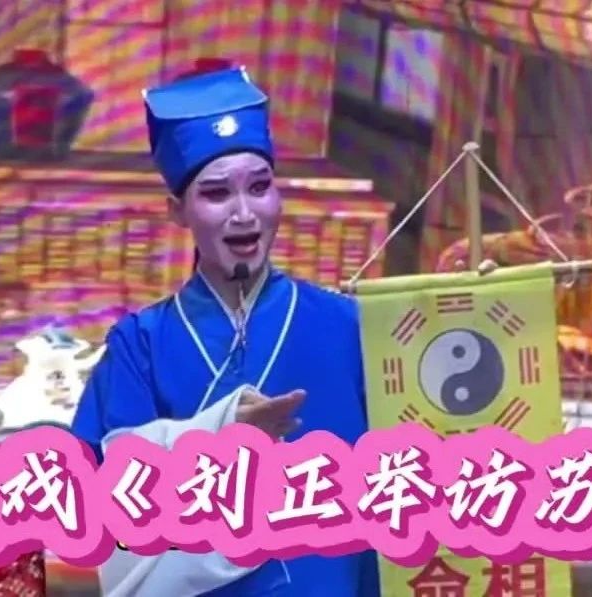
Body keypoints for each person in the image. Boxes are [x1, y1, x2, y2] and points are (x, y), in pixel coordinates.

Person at [70, 61, 381, 596]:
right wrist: (219, 433)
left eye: (259, 187)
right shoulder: (141, 345)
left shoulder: (347, 327)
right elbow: (102, 493)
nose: (244, 214)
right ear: (177, 211)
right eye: (216, 194)